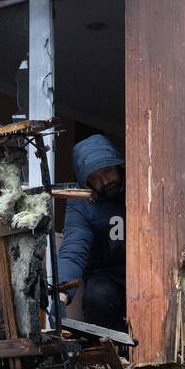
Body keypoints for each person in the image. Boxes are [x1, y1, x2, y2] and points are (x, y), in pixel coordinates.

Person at [57, 133, 126, 331]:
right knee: (98, 295)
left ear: (118, 166)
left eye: (107, 171)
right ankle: (113, 356)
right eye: (95, 178)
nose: (104, 181)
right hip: (106, 276)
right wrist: (62, 291)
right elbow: (74, 248)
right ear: (85, 182)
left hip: (146, 271)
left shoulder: (141, 187)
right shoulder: (80, 202)